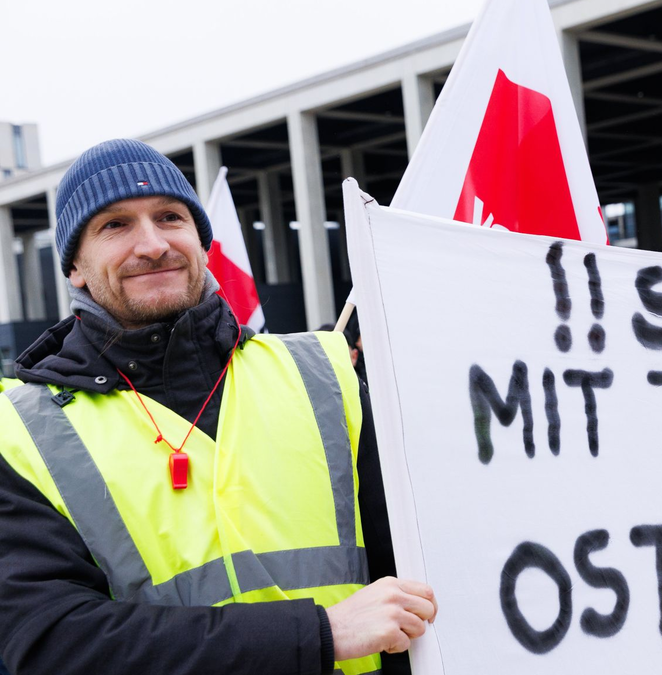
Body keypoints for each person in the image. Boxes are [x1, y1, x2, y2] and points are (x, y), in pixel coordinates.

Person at [0, 139, 435, 675]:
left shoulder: (325, 374)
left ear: (202, 242)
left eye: (170, 217)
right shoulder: (19, 435)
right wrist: (319, 635)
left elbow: (422, 573)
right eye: (115, 225)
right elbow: (50, 641)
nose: (154, 244)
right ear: (75, 267)